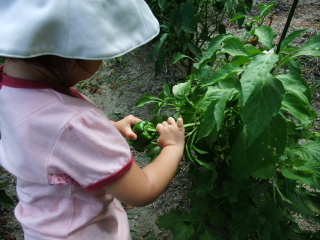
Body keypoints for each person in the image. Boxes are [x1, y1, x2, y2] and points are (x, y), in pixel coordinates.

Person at [0, 1, 185, 239]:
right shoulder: (73, 124)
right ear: (68, 54)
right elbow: (142, 190)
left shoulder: (9, 86)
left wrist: (106, 130)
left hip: (44, 225)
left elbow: (47, 140)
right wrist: (172, 147)